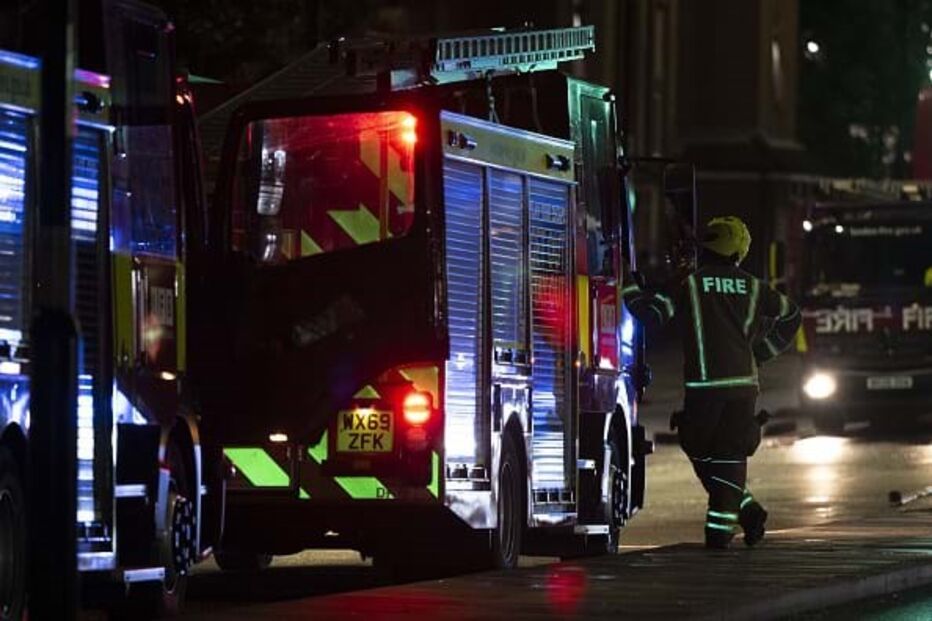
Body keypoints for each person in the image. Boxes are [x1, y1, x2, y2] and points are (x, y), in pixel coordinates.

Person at [623, 216, 801, 549]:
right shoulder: (753, 287)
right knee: (728, 456)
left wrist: (627, 285)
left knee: (700, 447)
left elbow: (651, 315)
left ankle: (720, 532)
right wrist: (762, 351)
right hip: (743, 387)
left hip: (705, 389)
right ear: (739, 251)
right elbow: (791, 315)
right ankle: (745, 512)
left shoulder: (690, 284)